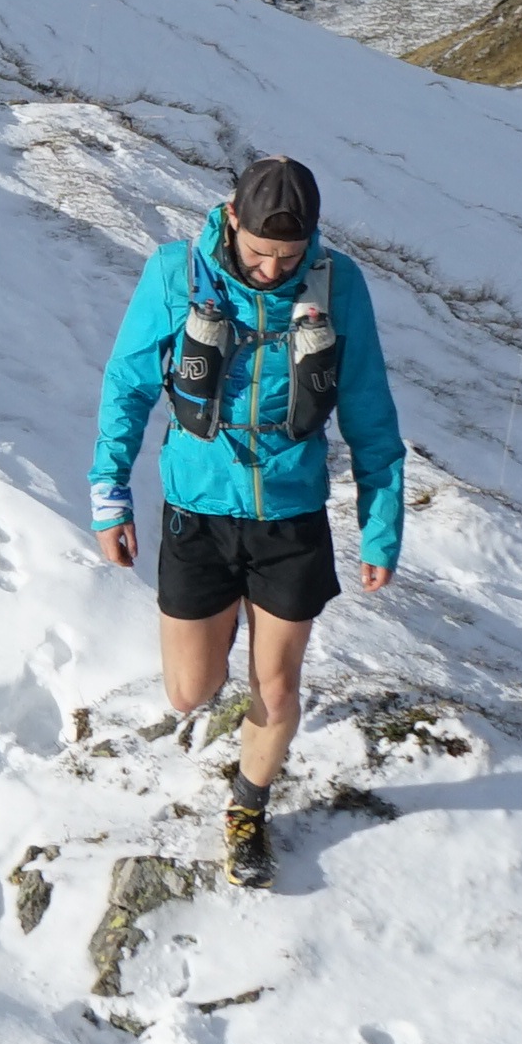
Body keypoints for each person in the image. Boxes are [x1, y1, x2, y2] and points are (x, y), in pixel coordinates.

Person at [92, 154, 402, 889]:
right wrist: (110, 492)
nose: (271, 270)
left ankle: (248, 808)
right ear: (231, 219)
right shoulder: (175, 273)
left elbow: (368, 407)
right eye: (260, 252)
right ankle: (220, 626)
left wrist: (381, 521)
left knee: (278, 688)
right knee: (189, 693)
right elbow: (128, 385)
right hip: (196, 512)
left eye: (288, 257)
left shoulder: (338, 285)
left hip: (290, 516)